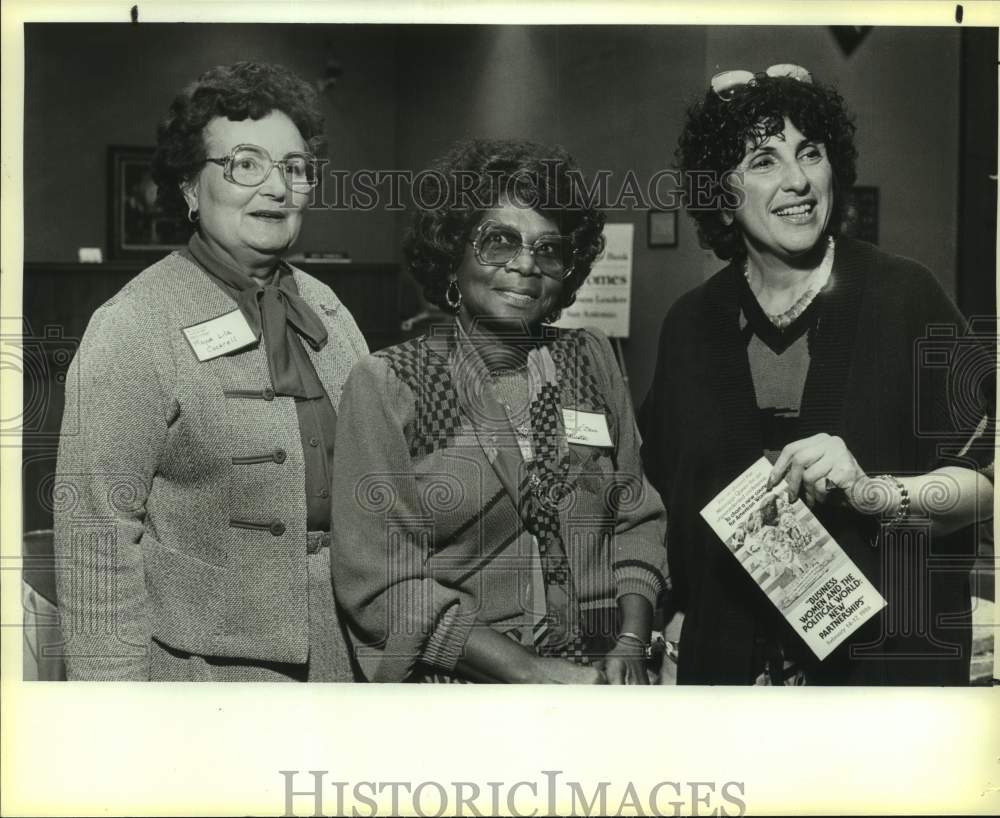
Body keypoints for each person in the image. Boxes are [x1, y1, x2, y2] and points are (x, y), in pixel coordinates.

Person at [639, 64, 995, 685]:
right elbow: (663, 505)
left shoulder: (904, 295)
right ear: (721, 192)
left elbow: (985, 485)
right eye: (763, 161)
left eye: (810, 152)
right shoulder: (691, 325)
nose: (798, 180)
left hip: (885, 676)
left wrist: (870, 491)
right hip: (728, 678)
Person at [54, 62, 367, 681]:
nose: (276, 189)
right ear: (191, 190)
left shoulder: (327, 306)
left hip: (350, 655)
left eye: (294, 169)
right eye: (246, 164)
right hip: (206, 673)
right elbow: (96, 534)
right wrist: (109, 721)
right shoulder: (132, 326)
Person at [331, 139, 669, 683]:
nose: (526, 265)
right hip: (465, 690)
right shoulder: (390, 383)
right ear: (452, 253)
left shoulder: (591, 357)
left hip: (603, 675)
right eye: (499, 242)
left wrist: (631, 640)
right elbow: (382, 584)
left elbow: (636, 515)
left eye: (548, 249)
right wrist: (536, 675)